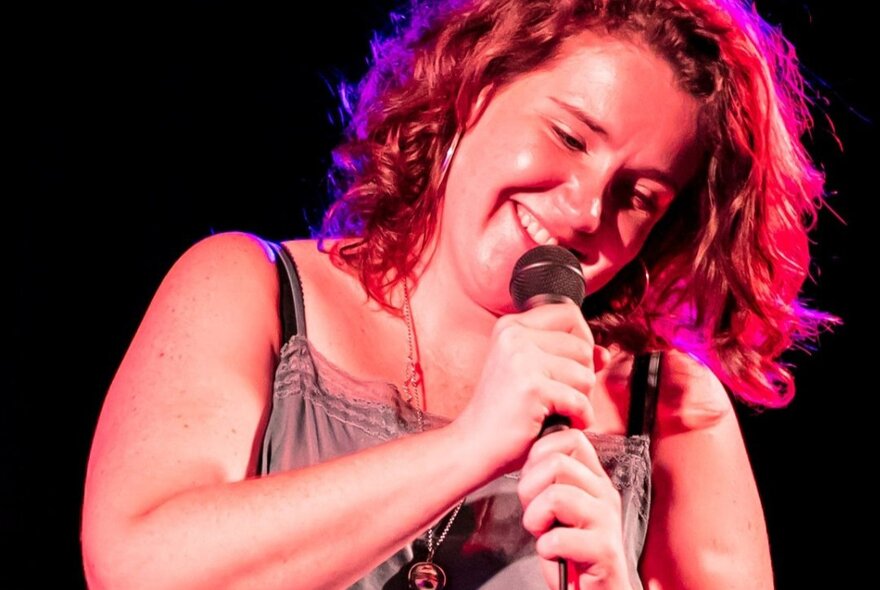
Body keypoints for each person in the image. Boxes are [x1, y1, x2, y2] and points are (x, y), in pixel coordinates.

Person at [81, 0, 835, 588]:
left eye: (638, 195)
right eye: (570, 137)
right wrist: (472, 446)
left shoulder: (670, 409)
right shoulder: (251, 288)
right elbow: (139, 567)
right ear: (473, 85)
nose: (583, 211)